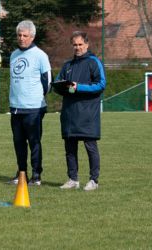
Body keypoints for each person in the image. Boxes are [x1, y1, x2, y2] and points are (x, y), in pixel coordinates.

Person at [54, 31, 106, 191]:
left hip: (88, 114)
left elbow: (101, 85)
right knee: (70, 149)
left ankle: (93, 180)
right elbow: (58, 83)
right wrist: (63, 87)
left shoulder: (94, 62)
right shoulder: (68, 65)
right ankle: (73, 179)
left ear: (87, 44)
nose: (77, 47)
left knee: (90, 147)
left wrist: (78, 87)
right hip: (69, 114)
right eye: (75, 45)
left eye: (80, 44)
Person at [7, 20, 52, 186]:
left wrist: (37, 99)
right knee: (18, 142)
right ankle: (21, 174)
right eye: (19, 35)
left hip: (34, 108)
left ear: (32, 37)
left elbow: (47, 82)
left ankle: (37, 176)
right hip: (16, 108)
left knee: (34, 142)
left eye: (25, 35)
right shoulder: (13, 55)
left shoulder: (40, 55)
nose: (21, 38)